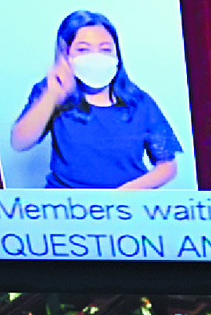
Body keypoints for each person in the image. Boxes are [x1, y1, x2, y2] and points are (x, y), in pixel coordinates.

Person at [10, 10, 182, 189]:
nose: (96, 57)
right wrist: (52, 95)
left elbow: (167, 166)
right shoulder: (49, 93)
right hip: (66, 204)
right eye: (83, 49)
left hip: (125, 205)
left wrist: (122, 196)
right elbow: (20, 142)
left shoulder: (139, 102)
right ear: (66, 54)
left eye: (105, 49)